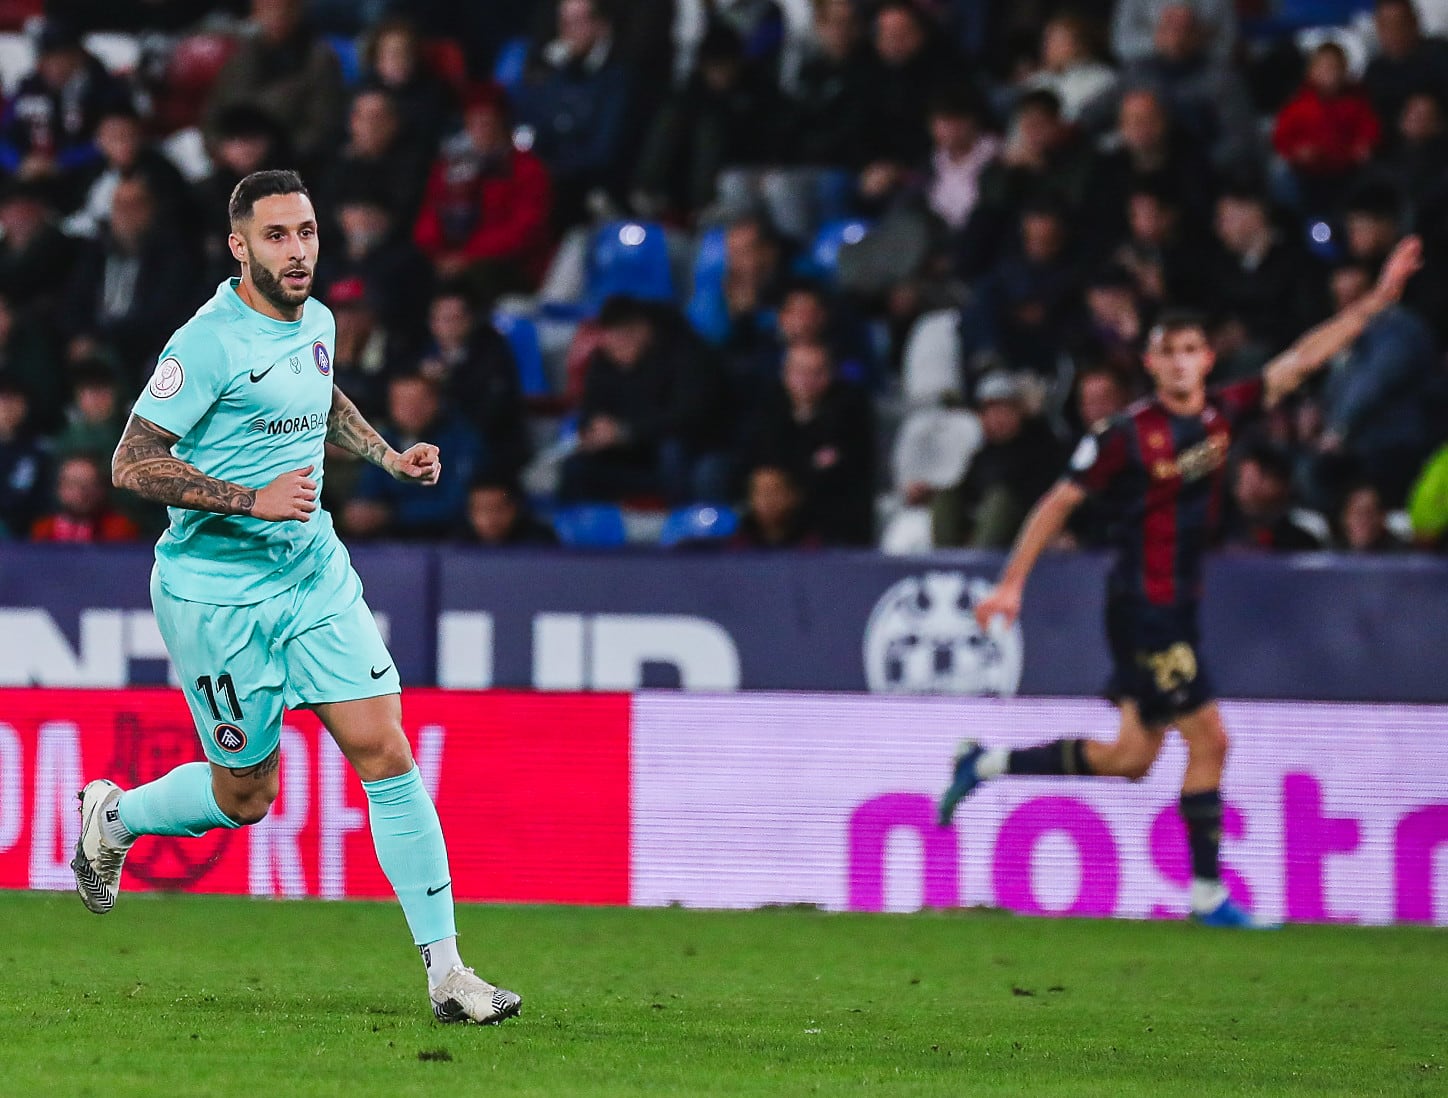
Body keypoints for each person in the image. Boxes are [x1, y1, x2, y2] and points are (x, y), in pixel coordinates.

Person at [70, 170, 521, 1025]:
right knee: (247, 794)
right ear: (239, 246)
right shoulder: (203, 343)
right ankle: (115, 816)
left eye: (307, 232)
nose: (298, 250)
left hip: (311, 573)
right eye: (277, 236)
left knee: (385, 751)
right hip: (218, 597)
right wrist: (248, 499)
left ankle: (449, 974)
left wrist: (385, 455)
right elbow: (131, 461)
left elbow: (316, 398)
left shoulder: (317, 319)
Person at [936, 236, 1423, 929]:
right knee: (1212, 742)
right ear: (1151, 361)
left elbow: (1303, 359)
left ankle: (982, 764)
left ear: (1208, 357)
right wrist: (1012, 583)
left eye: (1191, 350)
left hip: (1176, 606)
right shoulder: (1125, 436)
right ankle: (1206, 896)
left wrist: (1376, 301)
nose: (1180, 362)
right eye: (1167, 352)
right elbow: (1057, 501)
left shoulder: (1223, 415)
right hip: (1144, 606)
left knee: (1130, 758)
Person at [30, 452, 139, 543]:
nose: (81, 492)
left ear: (101, 489)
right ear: (59, 488)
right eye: (73, 484)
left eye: (89, 484)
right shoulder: (43, 531)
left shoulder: (120, 529)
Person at [463, 475, 559, 546]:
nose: (490, 518)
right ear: (470, 512)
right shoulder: (457, 544)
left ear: (514, 509)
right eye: (482, 509)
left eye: (498, 509)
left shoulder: (540, 542)